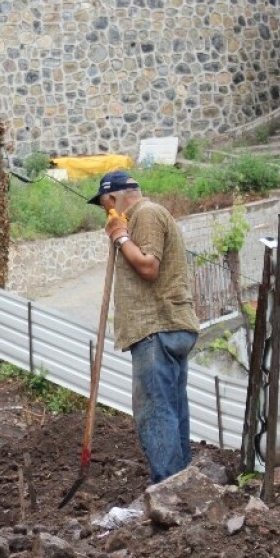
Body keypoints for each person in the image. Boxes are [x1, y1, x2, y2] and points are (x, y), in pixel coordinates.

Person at [89, 170, 200, 484]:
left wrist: (120, 237)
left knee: (154, 410)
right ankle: (183, 486)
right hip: (168, 326)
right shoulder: (145, 215)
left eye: (104, 206)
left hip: (156, 327)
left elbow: (149, 266)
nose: (106, 213)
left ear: (112, 198)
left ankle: (167, 485)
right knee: (172, 407)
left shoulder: (146, 214)